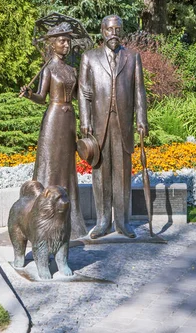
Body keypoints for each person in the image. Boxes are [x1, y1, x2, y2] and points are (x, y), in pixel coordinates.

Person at [78, 15, 148, 239]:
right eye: (109, 30)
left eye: (117, 29)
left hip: (123, 126)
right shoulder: (89, 57)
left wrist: (142, 119)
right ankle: (102, 221)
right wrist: (85, 120)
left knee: (123, 174)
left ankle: (122, 222)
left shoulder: (132, 57)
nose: (113, 34)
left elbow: (139, 91)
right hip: (98, 126)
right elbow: (83, 93)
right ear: (102, 31)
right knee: (100, 174)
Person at [20, 22, 87, 238]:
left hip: (69, 121)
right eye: (62, 41)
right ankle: (44, 217)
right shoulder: (48, 68)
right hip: (53, 118)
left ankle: (71, 221)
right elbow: (42, 97)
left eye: (68, 41)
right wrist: (30, 94)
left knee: (67, 167)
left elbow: (78, 96)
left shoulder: (72, 70)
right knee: (50, 164)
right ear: (53, 44)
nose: (66, 44)